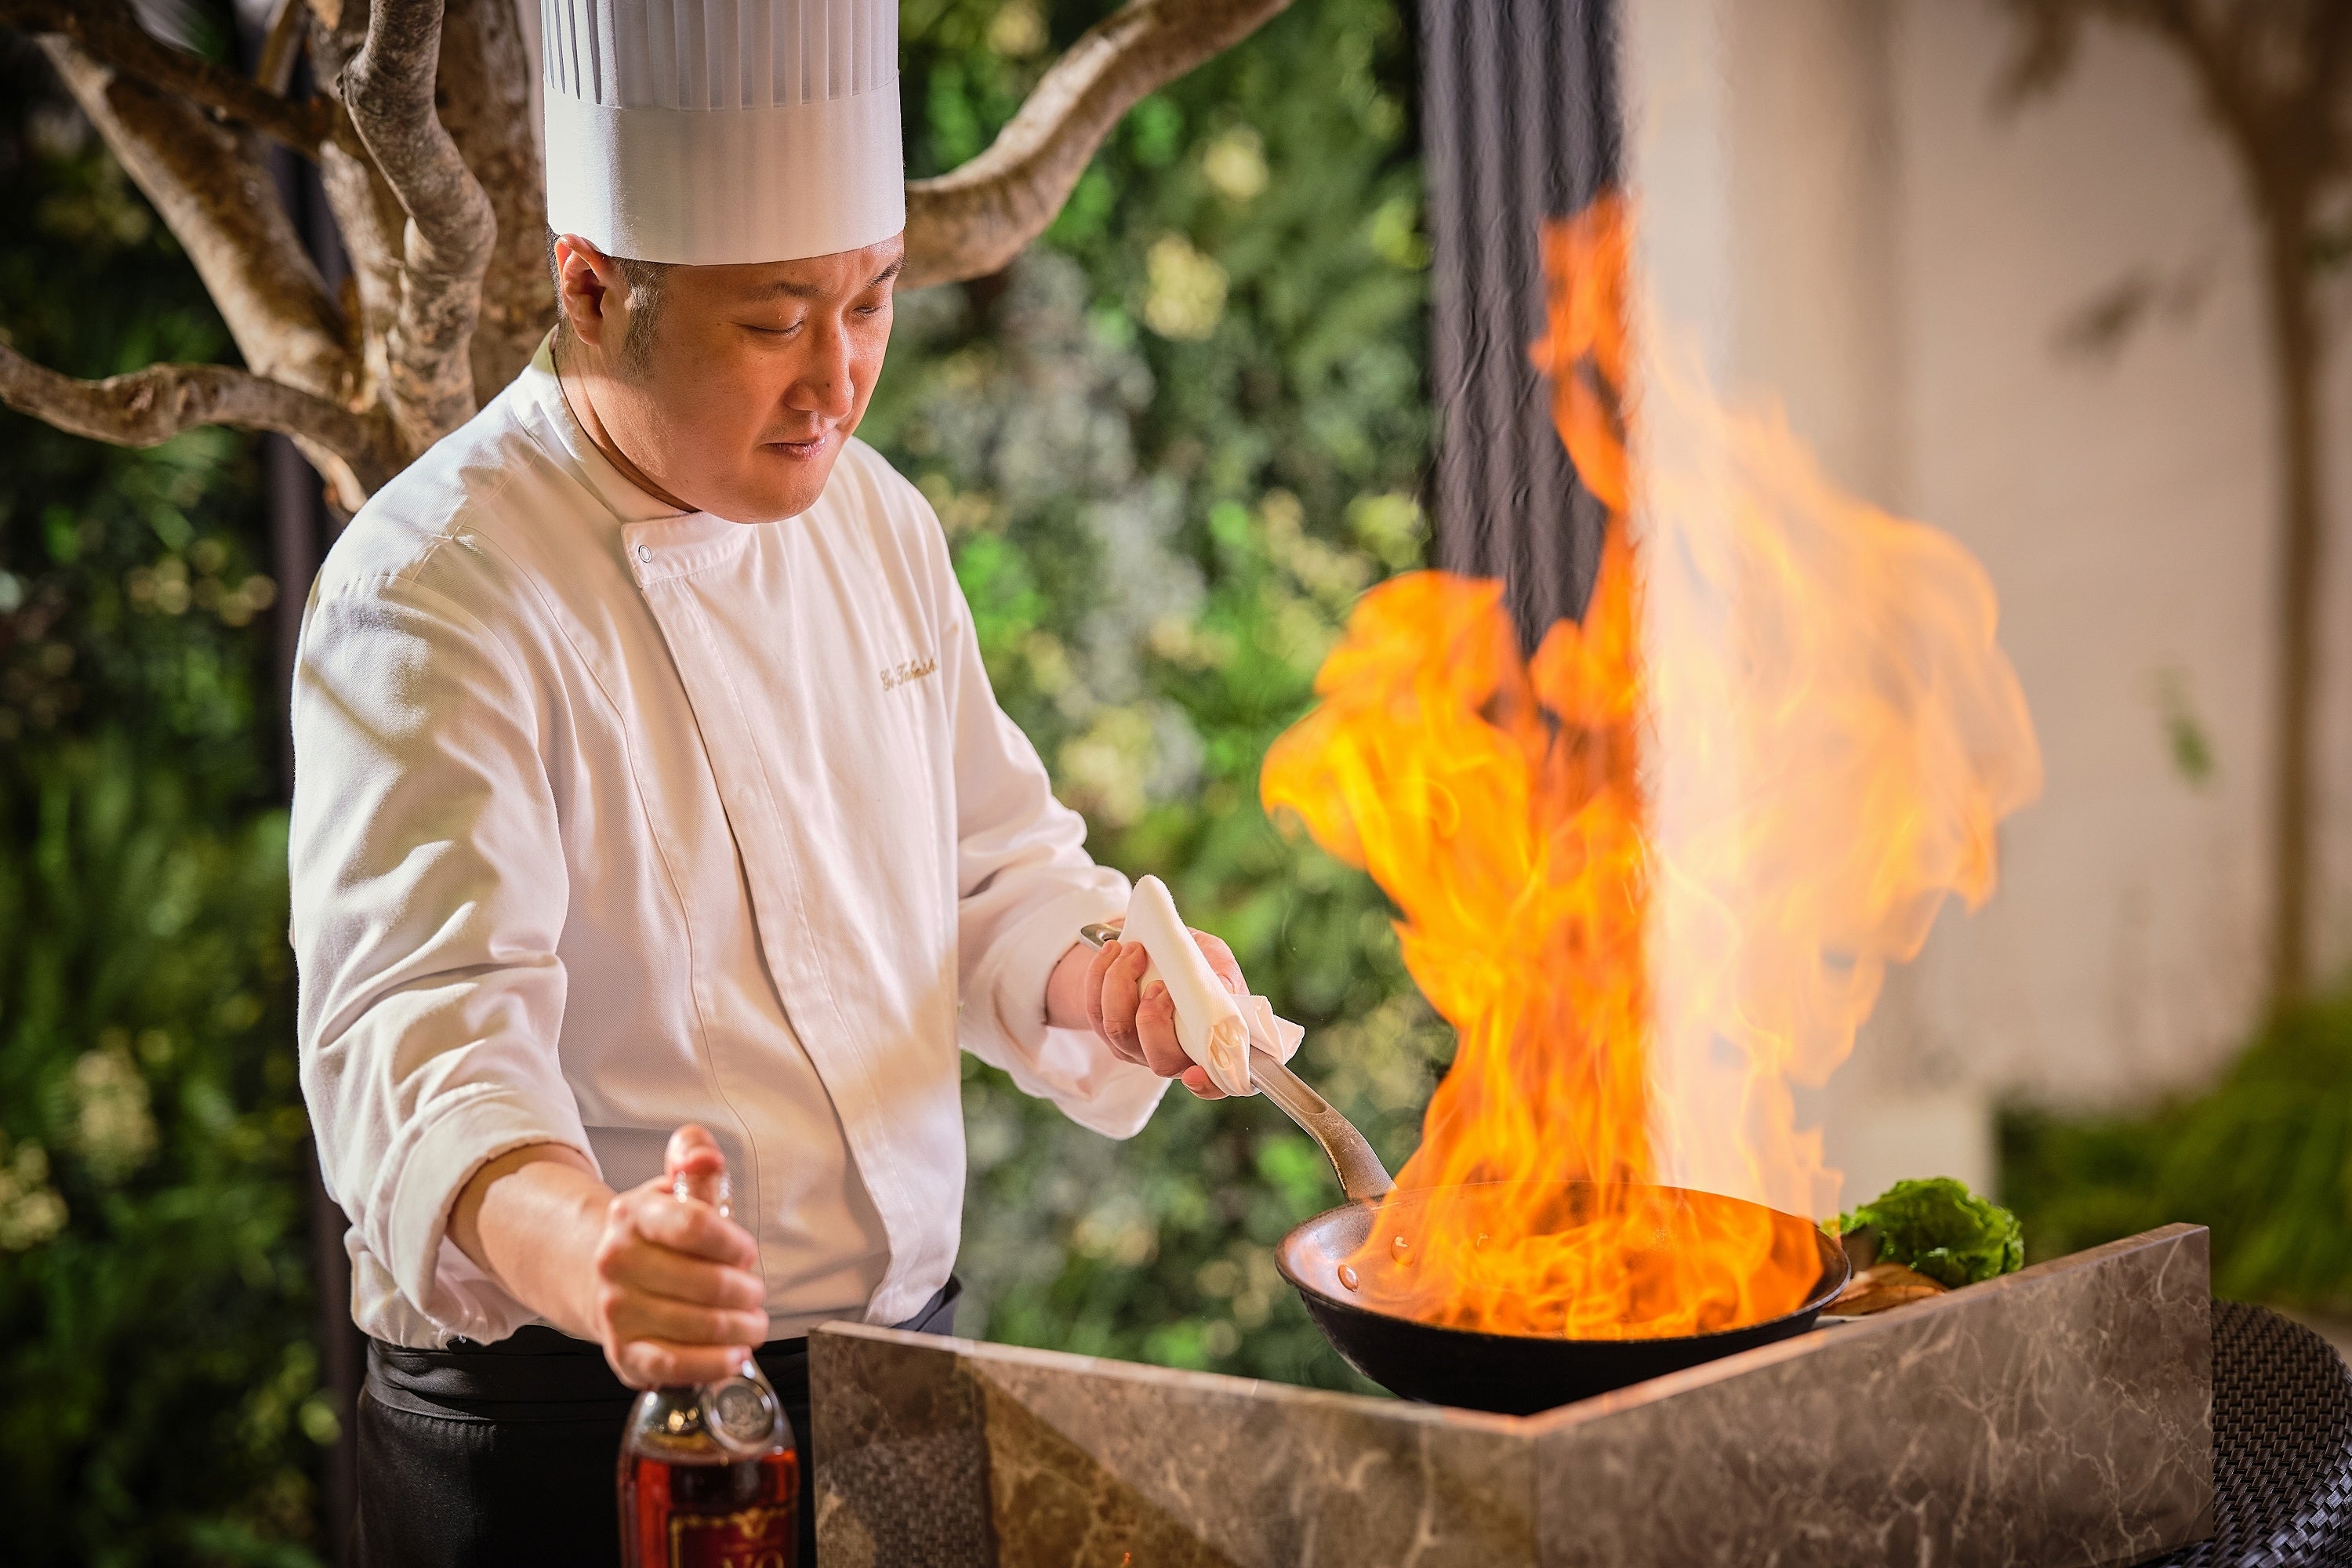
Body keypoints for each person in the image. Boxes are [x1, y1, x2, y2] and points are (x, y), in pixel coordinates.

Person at [286, 1, 1244, 1561]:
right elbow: (421, 1041)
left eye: (870, 303)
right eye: (773, 318)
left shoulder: (875, 521)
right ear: (590, 285)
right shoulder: (433, 588)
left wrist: (1104, 980)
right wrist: (596, 1249)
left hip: (908, 1387)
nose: (838, 379)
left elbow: (993, 878)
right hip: (570, 1431)